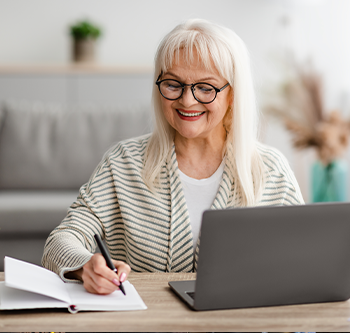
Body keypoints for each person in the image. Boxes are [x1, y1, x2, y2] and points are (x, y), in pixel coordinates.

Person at [42, 19, 304, 295]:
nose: (187, 101)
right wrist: (84, 266)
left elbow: (305, 257)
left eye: (205, 88)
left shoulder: (270, 170)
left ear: (232, 95)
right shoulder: (123, 163)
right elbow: (60, 242)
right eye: (173, 84)